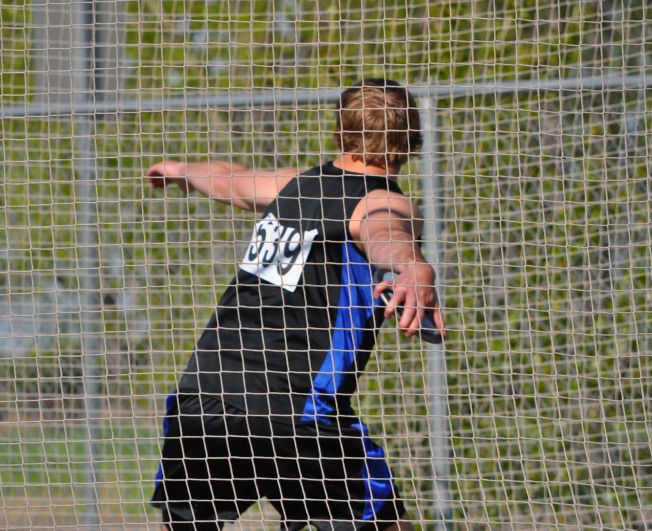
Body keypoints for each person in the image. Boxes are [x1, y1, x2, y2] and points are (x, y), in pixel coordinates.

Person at [147, 78, 445, 530]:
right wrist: (414, 268)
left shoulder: (291, 185)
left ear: (340, 133)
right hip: (294, 410)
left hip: (204, 395)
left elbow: (229, 179)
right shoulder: (384, 200)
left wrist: (181, 170)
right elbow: (387, 232)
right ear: (413, 141)